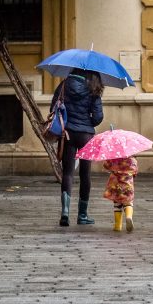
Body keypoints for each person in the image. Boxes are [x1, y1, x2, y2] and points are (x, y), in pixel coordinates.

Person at [53, 68, 104, 226]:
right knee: (85, 175)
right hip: (86, 135)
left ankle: (65, 213)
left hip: (68, 133)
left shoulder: (63, 85)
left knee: (67, 172)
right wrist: (87, 120)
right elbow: (97, 117)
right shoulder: (93, 87)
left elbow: (53, 109)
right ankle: (82, 215)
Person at [102, 155, 138, 232]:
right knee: (128, 203)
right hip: (128, 186)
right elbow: (135, 172)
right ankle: (128, 216)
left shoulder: (113, 159)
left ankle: (118, 225)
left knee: (117, 205)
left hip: (115, 186)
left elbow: (106, 166)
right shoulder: (133, 160)